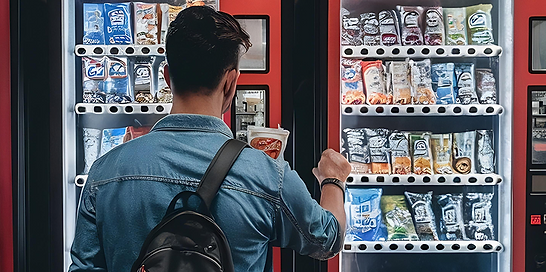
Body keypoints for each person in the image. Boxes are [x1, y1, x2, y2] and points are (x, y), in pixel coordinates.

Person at [69, 6, 350, 272]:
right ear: (231, 81)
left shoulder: (105, 171)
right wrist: (332, 180)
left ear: (167, 77)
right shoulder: (267, 174)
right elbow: (327, 239)